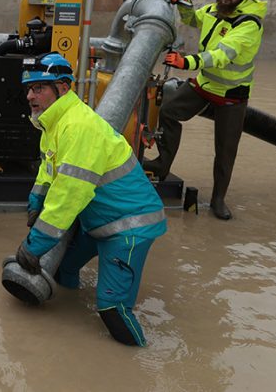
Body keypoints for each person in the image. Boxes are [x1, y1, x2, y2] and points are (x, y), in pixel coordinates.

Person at [14, 53, 167, 346]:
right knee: (64, 270)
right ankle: (67, 337)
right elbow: (50, 170)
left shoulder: (78, 127)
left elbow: (70, 194)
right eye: (28, 89)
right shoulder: (53, 124)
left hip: (128, 227)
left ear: (63, 88)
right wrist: (36, 199)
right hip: (97, 221)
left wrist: (35, 245)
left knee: (112, 309)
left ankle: (138, 363)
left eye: (39, 88)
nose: (30, 96)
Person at [144, 0, 268, 220]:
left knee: (225, 150)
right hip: (204, 85)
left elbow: (221, 56)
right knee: (167, 112)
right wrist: (185, 5)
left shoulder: (249, 25)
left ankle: (218, 200)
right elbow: (192, 20)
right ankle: (161, 165)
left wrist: (185, 62)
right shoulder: (213, 10)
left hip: (232, 96)